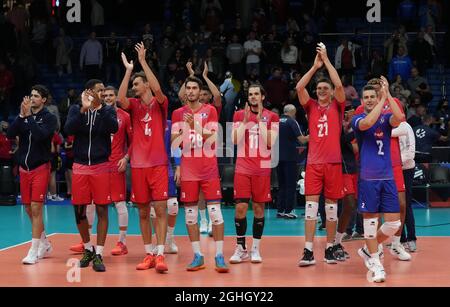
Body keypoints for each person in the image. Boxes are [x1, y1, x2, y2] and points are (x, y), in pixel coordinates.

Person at [118, 43, 169, 273]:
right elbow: (120, 99)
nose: (133, 87)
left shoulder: (160, 104)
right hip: (138, 166)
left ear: (146, 84)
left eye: (136, 83)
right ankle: (148, 253)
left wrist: (143, 62)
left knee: (159, 210)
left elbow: (158, 89)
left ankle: (160, 254)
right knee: (141, 211)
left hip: (157, 164)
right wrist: (129, 70)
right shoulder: (135, 106)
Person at [171, 76, 229, 273]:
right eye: (188, 88)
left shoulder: (210, 110)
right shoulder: (178, 113)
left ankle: (220, 256)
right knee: (190, 215)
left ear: (199, 91)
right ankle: (198, 256)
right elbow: (174, 142)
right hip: (188, 169)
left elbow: (213, 137)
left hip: (208, 168)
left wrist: (195, 125)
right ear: (185, 91)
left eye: (195, 88)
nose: (191, 91)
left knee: (215, 214)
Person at [296, 44, 346, 266]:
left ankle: (329, 247)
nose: (323, 91)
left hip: (333, 162)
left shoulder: (338, 106)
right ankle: (308, 251)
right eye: (320, 89)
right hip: (314, 162)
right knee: (311, 208)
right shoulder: (311, 107)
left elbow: (338, 84)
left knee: (332, 208)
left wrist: (326, 61)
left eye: (326, 89)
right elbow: (299, 87)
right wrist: (315, 67)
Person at [352, 77, 405, 283]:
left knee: (393, 224)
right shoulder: (358, 119)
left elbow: (400, 117)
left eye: (372, 96)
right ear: (362, 101)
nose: (369, 100)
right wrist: (381, 101)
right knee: (370, 225)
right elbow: (367, 123)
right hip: (368, 179)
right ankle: (376, 264)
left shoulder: (386, 118)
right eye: (365, 97)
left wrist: (388, 94)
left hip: (387, 177)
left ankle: (367, 249)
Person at [64, 79, 118, 272]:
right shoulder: (76, 109)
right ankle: (88, 249)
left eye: (104, 91)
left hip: (101, 166)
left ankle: (99, 254)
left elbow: (114, 128)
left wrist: (101, 107)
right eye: (99, 91)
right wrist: (84, 110)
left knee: (102, 210)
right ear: (89, 91)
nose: (102, 93)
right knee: (79, 213)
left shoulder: (108, 110)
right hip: (79, 166)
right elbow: (68, 130)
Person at [229, 83, 279, 264]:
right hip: (243, 168)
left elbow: (270, 142)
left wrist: (259, 121)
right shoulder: (238, 115)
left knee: (258, 208)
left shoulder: (272, 116)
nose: (253, 97)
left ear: (262, 96)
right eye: (250, 94)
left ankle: (255, 249)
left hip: (262, 168)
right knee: (240, 207)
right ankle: (241, 248)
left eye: (257, 94)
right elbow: (234, 140)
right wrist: (245, 122)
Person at [7, 85, 57, 264]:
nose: (32, 98)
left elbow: (40, 136)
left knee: (36, 208)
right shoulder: (24, 116)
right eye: (31, 95)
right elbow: (10, 134)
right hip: (24, 169)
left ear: (43, 99)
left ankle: (33, 250)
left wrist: (29, 118)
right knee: (28, 208)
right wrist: (21, 116)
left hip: (40, 168)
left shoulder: (49, 118)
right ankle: (44, 242)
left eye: (36, 96)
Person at [179, 62, 222, 235]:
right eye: (200, 93)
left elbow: (217, 95)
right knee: (198, 196)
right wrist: (190, 75)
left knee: (208, 194)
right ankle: (203, 220)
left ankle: (211, 222)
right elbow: (182, 95)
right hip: (191, 156)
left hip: (207, 154)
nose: (202, 96)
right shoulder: (186, 109)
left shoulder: (212, 109)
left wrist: (204, 77)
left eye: (205, 94)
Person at [104, 86, 132, 255]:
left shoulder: (125, 116)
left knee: (119, 203)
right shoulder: (97, 114)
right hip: (98, 166)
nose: (108, 98)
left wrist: (126, 158)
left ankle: (122, 242)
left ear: (116, 97)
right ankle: (87, 243)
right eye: (105, 95)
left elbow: (134, 141)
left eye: (110, 95)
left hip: (116, 165)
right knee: (92, 204)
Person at [333, 107, 358, 261]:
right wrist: (358, 128)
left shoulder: (346, 128)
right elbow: (342, 140)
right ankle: (335, 243)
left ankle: (337, 242)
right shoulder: (337, 128)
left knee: (352, 205)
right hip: (341, 170)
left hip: (354, 169)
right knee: (348, 204)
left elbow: (353, 146)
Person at [277, 104, 307, 219]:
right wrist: (313, 135)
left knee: (282, 184)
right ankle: (289, 210)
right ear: (293, 113)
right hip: (290, 157)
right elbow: (302, 140)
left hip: (277, 158)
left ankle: (280, 210)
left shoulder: (276, 121)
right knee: (290, 185)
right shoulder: (292, 122)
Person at [392, 121, 417, 252]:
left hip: (406, 169)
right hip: (392, 170)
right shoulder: (387, 125)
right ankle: (400, 239)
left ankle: (412, 239)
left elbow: (411, 153)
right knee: (395, 206)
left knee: (405, 204)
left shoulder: (406, 126)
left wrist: (396, 162)